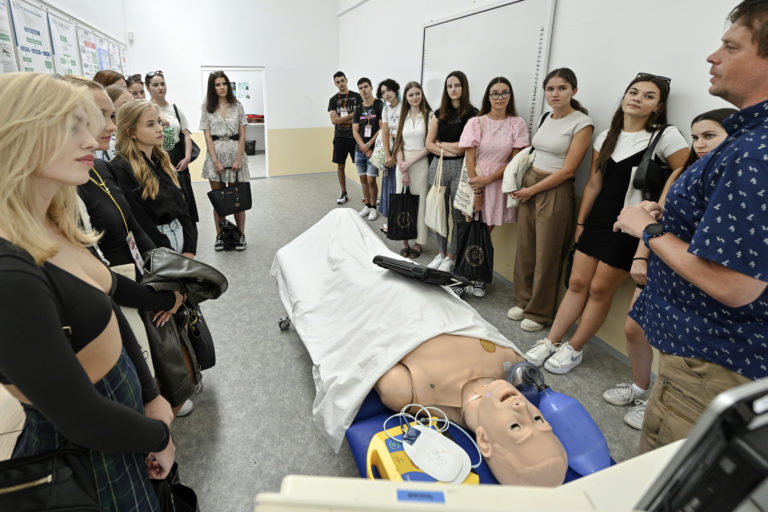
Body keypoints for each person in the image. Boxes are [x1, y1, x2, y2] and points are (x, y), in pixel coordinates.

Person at [0, 72, 178, 510]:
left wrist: (151, 395)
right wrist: (158, 436)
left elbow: (108, 301)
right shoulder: (11, 272)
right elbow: (81, 416)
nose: (92, 140)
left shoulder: (51, 220)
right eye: (72, 127)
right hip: (87, 458)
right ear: (21, 135)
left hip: (122, 429)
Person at [615, 0, 768, 452]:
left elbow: (735, 283)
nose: (712, 57)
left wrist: (648, 231)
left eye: (731, 47)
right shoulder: (746, 144)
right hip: (706, 356)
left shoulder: (753, 154)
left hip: (708, 364)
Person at [525, 74, 689, 375]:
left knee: (600, 289)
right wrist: (581, 223)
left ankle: (574, 348)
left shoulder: (665, 136)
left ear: (657, 106)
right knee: (577, 283)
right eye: (633, 92)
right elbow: (593, 183)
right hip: (599, 218)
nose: (637, 98)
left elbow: (683, 171)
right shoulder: (605, 136)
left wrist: (659, 209)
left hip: (630, 225)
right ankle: (551, 341)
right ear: (624, 96)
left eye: (649, 96)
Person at [603, 107, 736, 431]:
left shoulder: (735, 181)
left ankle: (658, 399)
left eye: (709, 135)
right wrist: (641, 256)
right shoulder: (683, 174)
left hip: (696, 271)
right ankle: (640, 387)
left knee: (676, 346)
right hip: (662, 259)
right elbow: (656, 218)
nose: (700, 144)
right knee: (634, 328)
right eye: (695, 137)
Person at [374, 334, 568, 487]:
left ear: (484, 441)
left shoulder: (404, 390)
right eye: (538, 419)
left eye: (516, 426)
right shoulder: (515, 365)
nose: (522, 407)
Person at [507, 69, 594, 332]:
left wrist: (532, 191)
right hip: (531, 182)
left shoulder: (582, 123)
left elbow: (568, 170)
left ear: (574, 91)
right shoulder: (546, 117)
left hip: (555, 188)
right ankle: (523, 300)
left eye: (562, 88)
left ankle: (539, 311)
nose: (555, 94)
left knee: (548, 253)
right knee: (526, 247)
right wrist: (526, 186)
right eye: (550, 89)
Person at [459, 77, 529, 297]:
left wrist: (488, 181)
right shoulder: (476, 122)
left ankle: (479, 278)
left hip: (499, 182)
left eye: (504, 92)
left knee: (485, 232)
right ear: (488, 97)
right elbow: (470, 159)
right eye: (495, 93)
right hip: (475, 179)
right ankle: (462, 276)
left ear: (510, 96)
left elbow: (515, 162)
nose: (500, 97)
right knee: (470, 229)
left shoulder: (517, 123)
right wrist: (478, 189)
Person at [111, 100, 198, 258]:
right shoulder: (122, 168)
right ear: (131, 132)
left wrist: (190, 249)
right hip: (157, 247)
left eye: (159, 122)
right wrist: (170, 256)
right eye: (150, 124)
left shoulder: (162, 159)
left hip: (179, 237)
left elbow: (183, 207)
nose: (159, 128)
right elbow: (140, 222)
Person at [424, 71, 478, 272]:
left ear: (464, 87)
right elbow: (429, 144)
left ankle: (451, 257)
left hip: (461, 168)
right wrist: (449, 148)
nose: (453, 89)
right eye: (449, 86)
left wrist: (442, 144)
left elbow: (465, 148)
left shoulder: (473, 114)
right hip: (438, 167)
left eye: (457, 85)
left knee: (458, 214)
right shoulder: (439, 113)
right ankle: (441, 253)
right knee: (439, 210)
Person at [200, 71, 249, 251]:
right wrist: (215, 161)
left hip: (236, 155)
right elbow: (207, 136)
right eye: (217, 84)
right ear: (212, 88)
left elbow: (242, 135)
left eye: (224, 83)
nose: (222, 87)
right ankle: (220, 235)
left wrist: (238, 159)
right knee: (219, 200)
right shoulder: (207, 107)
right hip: (216, 156)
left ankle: (241, 235)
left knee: (238, 199)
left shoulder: (237, 106)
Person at [145, 70, 199, 223]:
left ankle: (188, 227)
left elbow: (186, 134)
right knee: (169, 198)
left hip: (178, 156)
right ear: (148, 88)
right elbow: (164, 142)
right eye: (155, 85)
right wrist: (166, 125)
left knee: (185, 196)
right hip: (157, 156)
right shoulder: (146, 109)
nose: (160, 87)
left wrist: (187, 157)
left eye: (162, 84)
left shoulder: (174, 108)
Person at [392, 81, 432, 258]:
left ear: (421, 95)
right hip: (402, 164)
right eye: (411, 95)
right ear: (406, 98)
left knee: (420, 204)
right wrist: (404, 167)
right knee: (403, 202)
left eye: (417, 93)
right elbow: (398, 145)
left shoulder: (429, 116)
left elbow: (429, 145)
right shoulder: (402, 117)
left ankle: (418, 243)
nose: (415, 97)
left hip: (421, 163)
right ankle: (404, 241)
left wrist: (411, 163)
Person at [327, 71, 362, 205]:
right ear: (335, 84)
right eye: (338, 82)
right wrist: (351, 115)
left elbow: (360, 117)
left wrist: (342, 119)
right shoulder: (333, 100)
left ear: (346, 80)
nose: (341, 84)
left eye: (342, 80)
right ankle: (344, 193)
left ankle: (367, 195)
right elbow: (334, 121)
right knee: (340, 166)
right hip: (339, 137)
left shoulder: (357, 97)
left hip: (355, 137)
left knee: (361, 165)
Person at [352, 77, 383, 221]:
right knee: (363, 178)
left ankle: (373, 208)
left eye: (365, 87)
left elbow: (381, 128)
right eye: (360, 88)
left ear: (371, 87)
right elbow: (355, 131)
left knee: (371, 180)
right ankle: (367, 204)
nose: (363, 90)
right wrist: (363, 147)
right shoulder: (358, 108)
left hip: (374, 149)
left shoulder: (379, 104)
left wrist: (369, 145)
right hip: (360, 150)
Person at [377, 78, 400, 234]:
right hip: (389, 152)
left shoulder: (405, 107)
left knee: (400, 188)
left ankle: (400, 221)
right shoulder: (385, 109)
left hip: (404, 151)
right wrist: (387, 156)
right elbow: (385, 133)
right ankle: (391, 220)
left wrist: (395, 156)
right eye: (383, 92)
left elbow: (405, 133)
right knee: (389, 186)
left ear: (395, 90)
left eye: (389, 90)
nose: (386, 94)